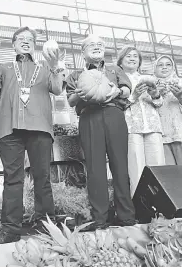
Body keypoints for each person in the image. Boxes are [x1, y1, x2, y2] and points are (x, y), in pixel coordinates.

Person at [0, 26, 65, 245]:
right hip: (10, 130)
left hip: (40, 128)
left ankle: (47, 227)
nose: (26, 42)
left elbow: (58, 89)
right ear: (13, 44)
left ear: (35, 45)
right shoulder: (4, 68)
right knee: (12, 180)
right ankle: (10, 230)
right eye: (21, 39)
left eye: (30, 39)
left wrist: (55, 66)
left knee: (42, 178)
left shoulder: (45, 67)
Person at [65, 35, 135, 229]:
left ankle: (126, 216)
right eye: (91, 45)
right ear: (83, 52)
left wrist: (118, 92)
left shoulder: (115, 69)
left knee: (120, 165)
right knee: (95, 169)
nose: (96, 47)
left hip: (114, 114)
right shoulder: (75, 76)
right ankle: (99, 218)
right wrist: (79, 95)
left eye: (99, 45)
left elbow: (128, 89)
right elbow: (70, 101)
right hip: (89, 117)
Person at [117, 47, 164, 197]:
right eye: (128, 56)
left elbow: (158, 104)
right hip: (132, 127)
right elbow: (118, 106)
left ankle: (161, 205)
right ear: (121, 61)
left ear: (139, 61)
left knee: (158, 166)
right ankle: (140, 207)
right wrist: (134, 95)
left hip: (153, 125)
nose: (132, 58)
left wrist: (155, 94)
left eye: (135, 56)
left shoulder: (150, 79)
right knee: (136, 168)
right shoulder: (118, 81)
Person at [153, 55, 182, 165]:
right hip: (160, 137)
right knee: (169, 176)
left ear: (173, 67)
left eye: (168, 64)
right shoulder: (150, 86)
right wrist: (155, 95)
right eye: (160, 65)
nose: (164, 67)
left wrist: (181, 97)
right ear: (154, 68)